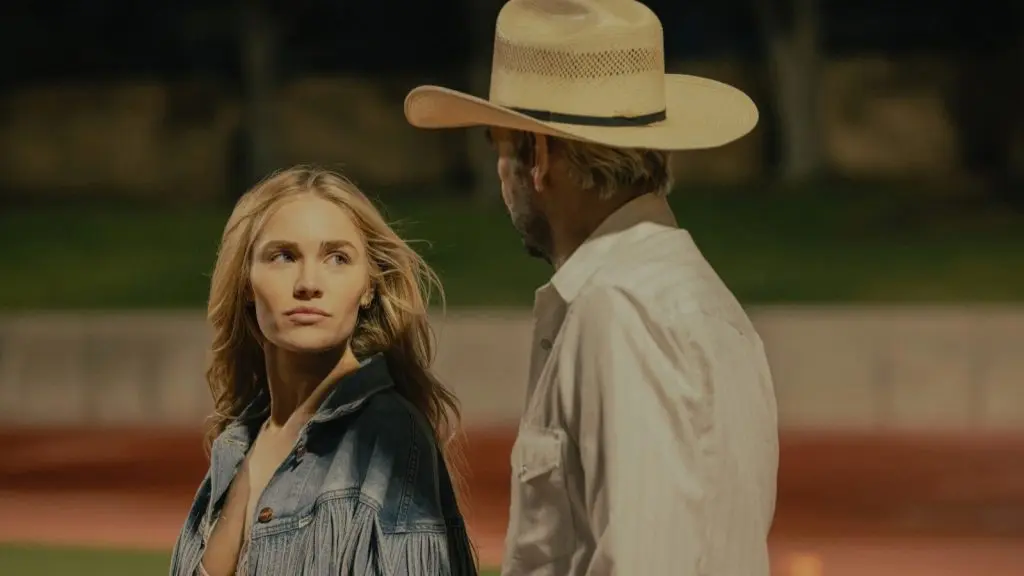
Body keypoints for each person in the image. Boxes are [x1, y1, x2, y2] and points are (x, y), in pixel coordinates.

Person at [403, 1, 779, 575]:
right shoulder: (682, 298)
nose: (500, 173)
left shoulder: (620, 309)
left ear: (540, 156)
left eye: (499, 145)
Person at [169, 166, 477, 576]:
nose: (308, 283)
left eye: (337, 258)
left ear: (369, 286)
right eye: (283, 256)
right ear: (246, 282)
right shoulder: (236, 444)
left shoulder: (389, 436)